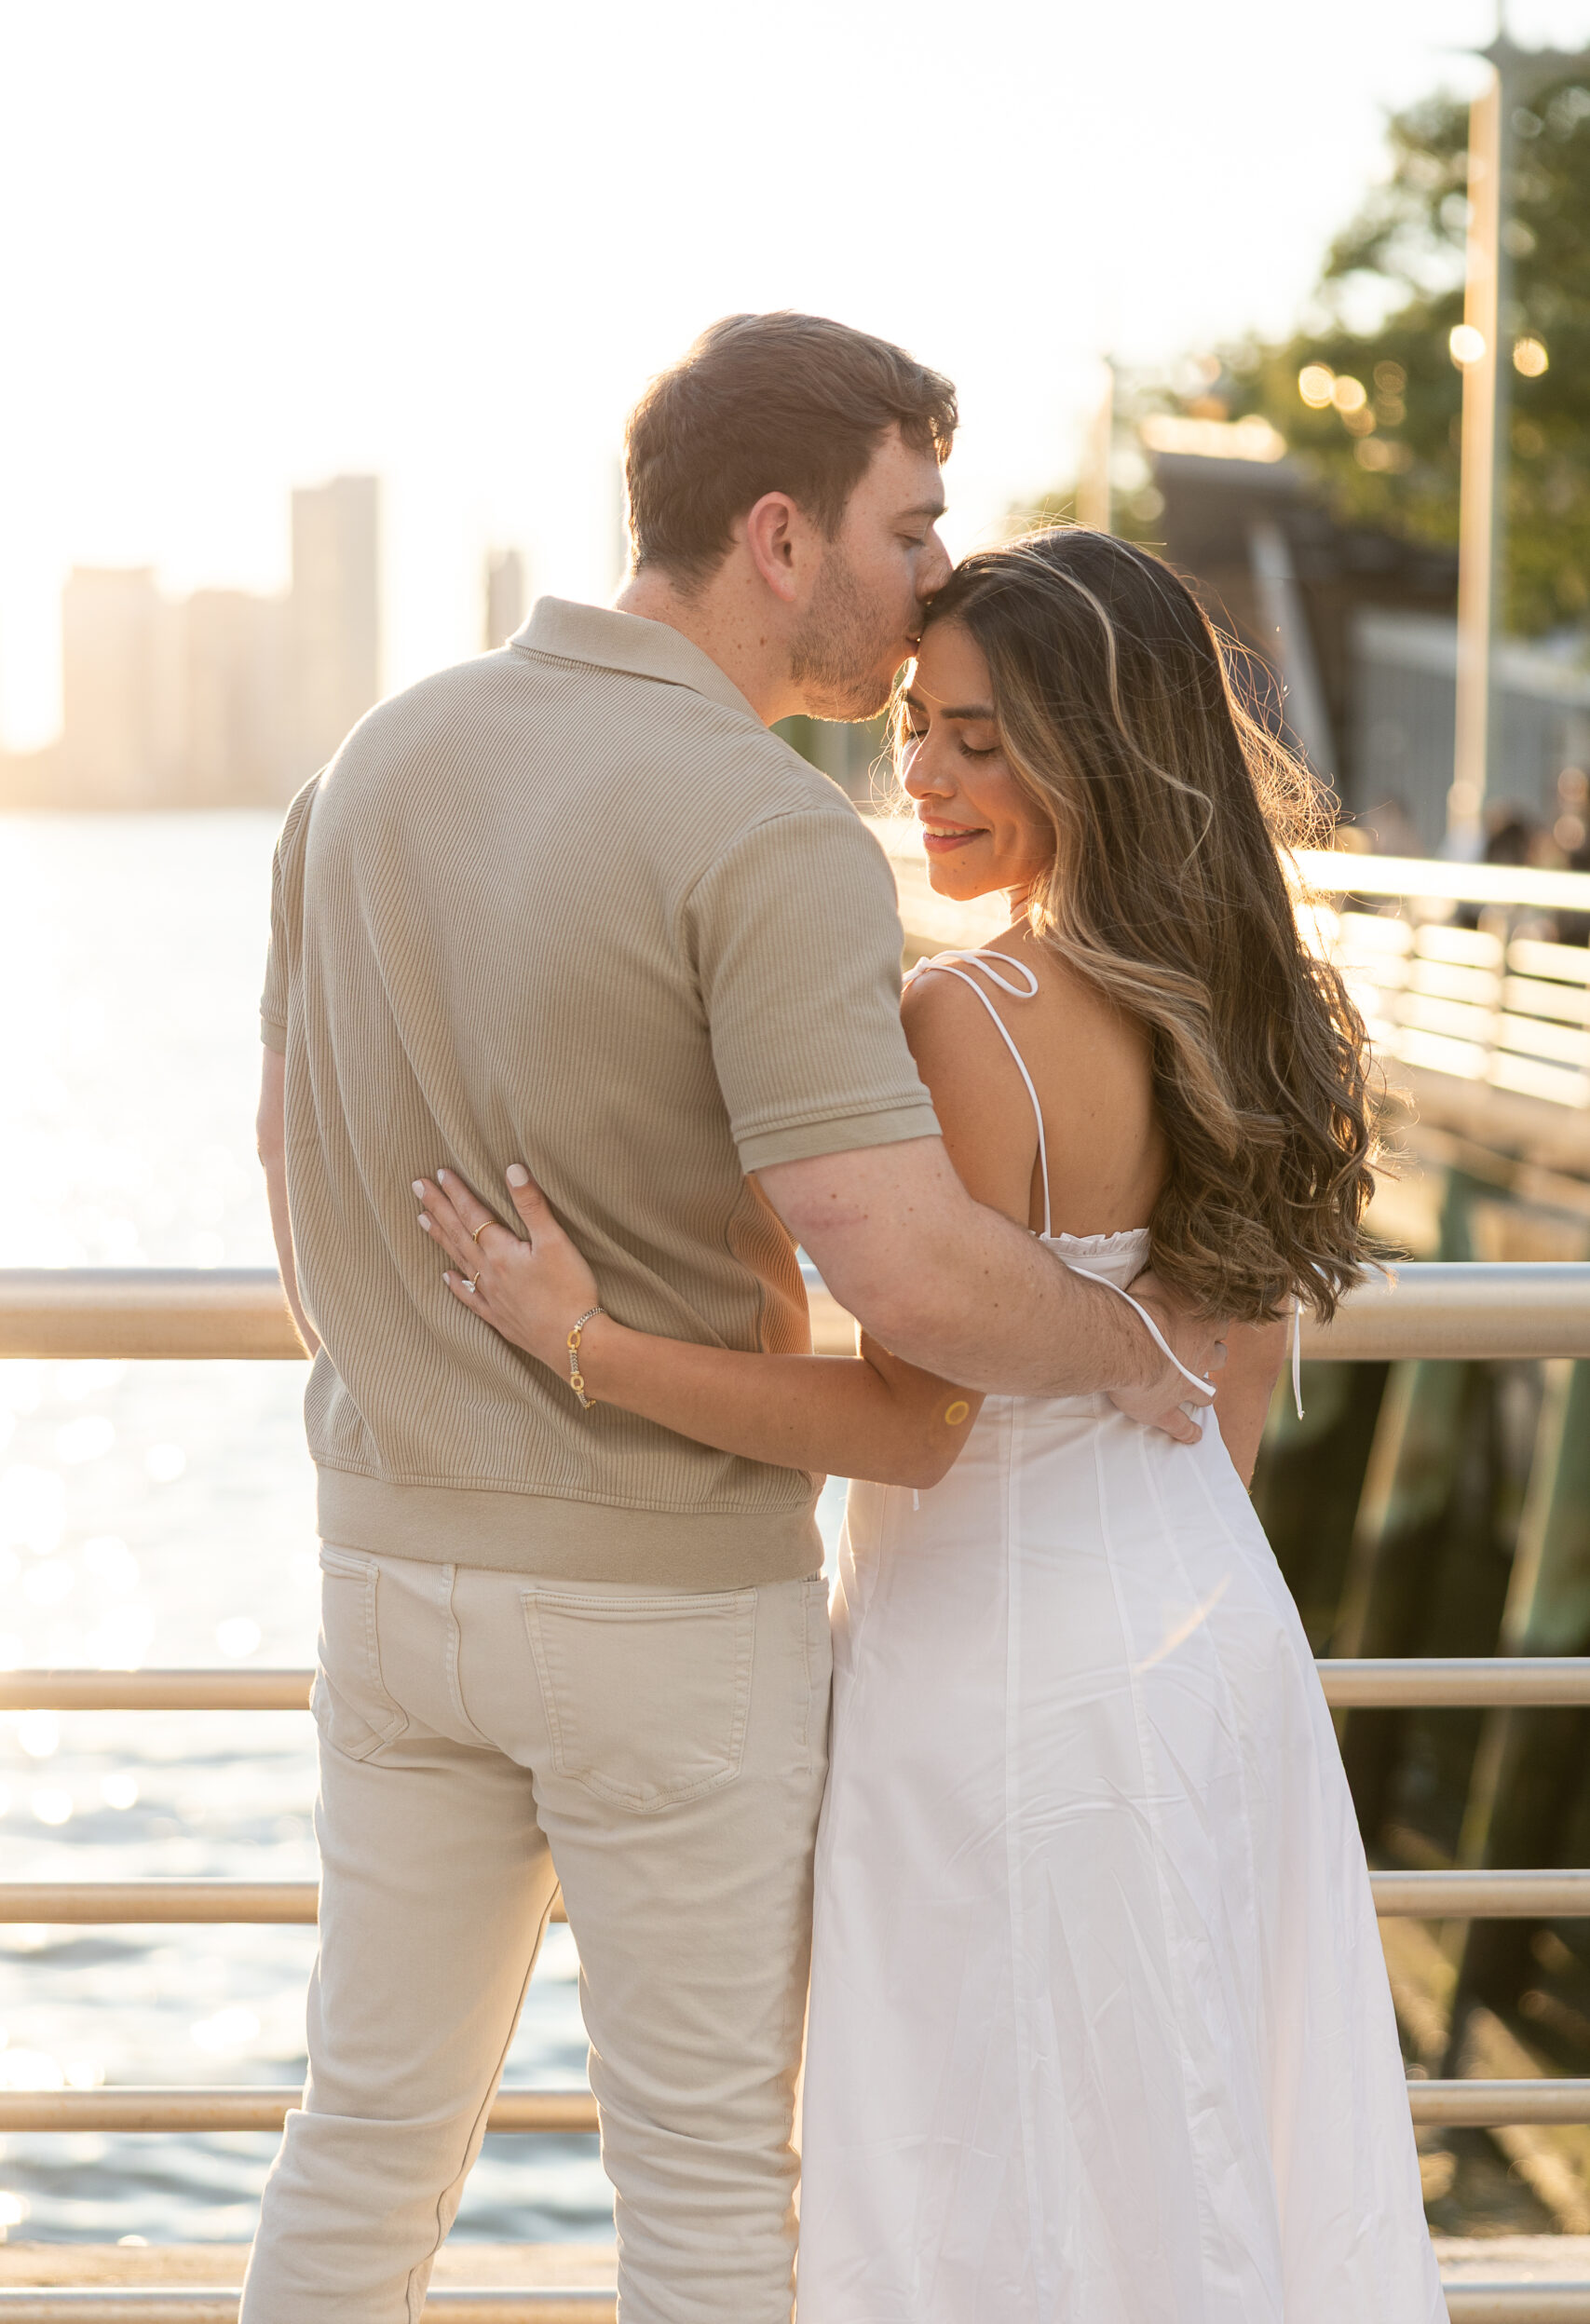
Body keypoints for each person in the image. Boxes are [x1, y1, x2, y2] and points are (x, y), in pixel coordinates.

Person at [246, 318, 1223, 2324]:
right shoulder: (769, 826)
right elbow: (900, 1260)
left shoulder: (371, 759)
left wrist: (433, 1385)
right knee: (698, 2172)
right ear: (779, 537)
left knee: (359, 2139)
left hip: (387, 1564)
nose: (932, 574)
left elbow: (284, 1151)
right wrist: (1137, 1353)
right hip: (666, 1608)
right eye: (909, 523)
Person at [420, 529, 1447, 2322]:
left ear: (1098, 752)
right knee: (1198, 2156)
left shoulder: (966, 1019)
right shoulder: (1258, 1007)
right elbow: (1237, 1407)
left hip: (999, 1681)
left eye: (981, 737)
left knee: (995, 2182)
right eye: (917, 726)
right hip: (1213, 1650)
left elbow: (909, 1419)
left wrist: (589, 1344)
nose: (926, 775)